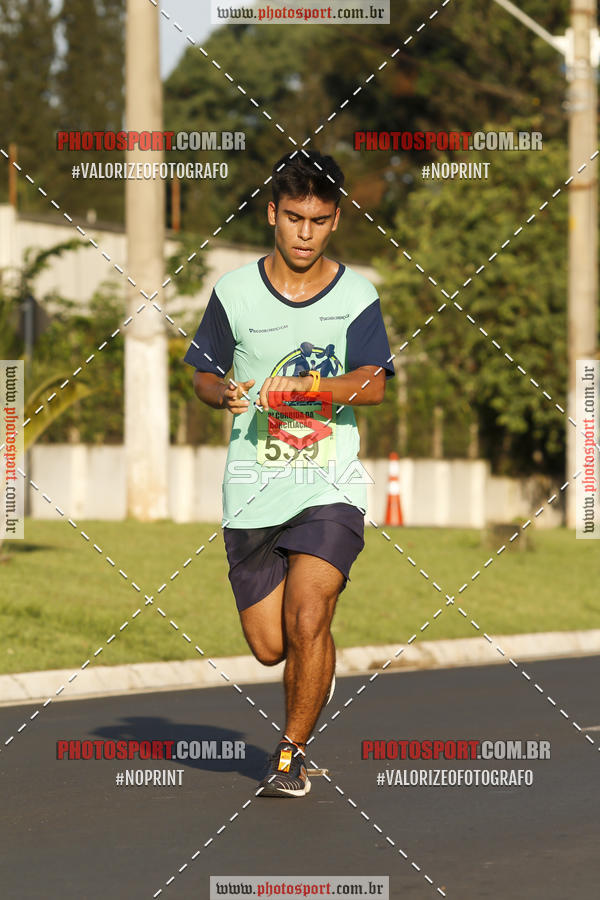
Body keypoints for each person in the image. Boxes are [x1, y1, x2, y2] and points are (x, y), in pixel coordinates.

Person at [184, 150, 395, 797]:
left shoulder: (357, 295)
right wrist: (223, 394)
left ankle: (290, 756)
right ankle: (316, 662)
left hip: (328, 483)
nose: (306, 233)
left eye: (321, 220)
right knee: (272, 645)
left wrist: (310, 384)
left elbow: (373, 385)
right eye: (295, 217)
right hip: (252, 489)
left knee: (308, 615)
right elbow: (201, 372)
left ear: (335, 221)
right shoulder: (233, 292)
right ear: (272, 213)